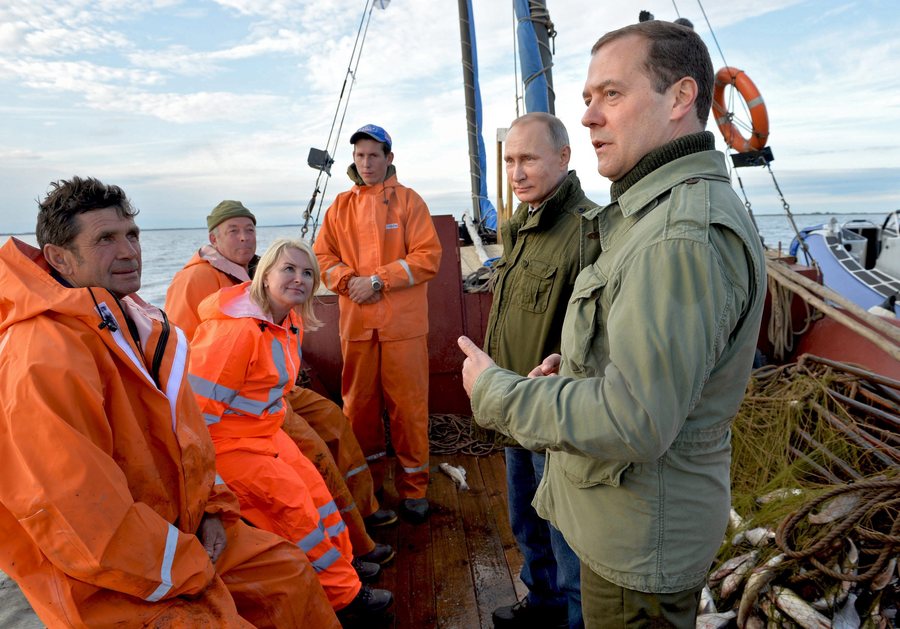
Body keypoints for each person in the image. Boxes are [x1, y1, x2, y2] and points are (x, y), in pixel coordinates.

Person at [459, 21, 766, 628]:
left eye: (612, 94)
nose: (590, 116)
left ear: (680, 98)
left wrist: (498, 392)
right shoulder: (649, 217)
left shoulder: (677, 236)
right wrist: (571, 373)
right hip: (624, 520)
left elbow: (636, 419)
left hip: (638, 548)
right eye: (587, 99)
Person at [0, 176, 339, 628]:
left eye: (132, 235)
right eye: (105, 239)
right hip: (109, 579)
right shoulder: (42, 358)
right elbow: (84, 526)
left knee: (289, 572)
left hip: (181, 528)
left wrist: (213, 507)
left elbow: (189, 437)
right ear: (59, 257)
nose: (129, 251)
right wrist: (190, 565)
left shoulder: (132, 322)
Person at [165, 200, 398, 560]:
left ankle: (363, 509)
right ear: (213, 238)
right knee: (315, 452)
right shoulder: (195, 280)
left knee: (334, 419)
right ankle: (356, 542)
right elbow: (187, 354)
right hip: (237, 401)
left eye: (250, 230)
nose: (245, 238)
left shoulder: (252, 272)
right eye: (233, 231)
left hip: (273, 388)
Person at [188, 238, 394, 621]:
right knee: (295, 510)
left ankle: (345, 566)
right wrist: (209, 488)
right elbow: (194, 420)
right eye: (289, 269)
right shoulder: (236, 333)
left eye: (307, 273)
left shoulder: (289, 321)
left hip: (265, 432)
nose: (299, 278)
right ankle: (345, 600)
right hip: (229, 446)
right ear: (265, 275)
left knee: (318, 495)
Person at [480, 112, 601, 629]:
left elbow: (599, 334)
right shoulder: (522, 228)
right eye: (510, 160)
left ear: (564, 157)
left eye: (528, 158)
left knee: (565, 534)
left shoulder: (589, 231)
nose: (516, 172)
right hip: (516, 406)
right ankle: (543, 604)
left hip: (555, 416)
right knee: (526, 521)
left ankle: (573, 618)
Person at [314, 124, 442, 523]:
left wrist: (377, 280)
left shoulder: (410, 202)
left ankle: (414, 488)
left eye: (373, 155)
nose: (366, 163)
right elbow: (322, 258)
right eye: (359, 156)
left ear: (389, 158)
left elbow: (428, 257)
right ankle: (367, 490)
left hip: (403, 328)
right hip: (357, 328)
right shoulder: (338, 207)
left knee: (409, 409)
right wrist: (348, 281)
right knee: (358, 411)